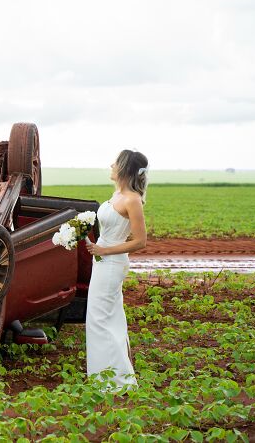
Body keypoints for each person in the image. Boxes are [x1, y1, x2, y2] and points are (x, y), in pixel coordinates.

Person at [85, 149, 149, 390]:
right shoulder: (117, 194)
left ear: (123, 168)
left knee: (101, 320)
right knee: (102, 318)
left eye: (115, 162)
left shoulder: (132, 199)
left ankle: (116, 381)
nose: (111, 165)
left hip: (112, 263)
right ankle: (105, 376)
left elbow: (140, 241)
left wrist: (105, 251)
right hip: (102, 261)